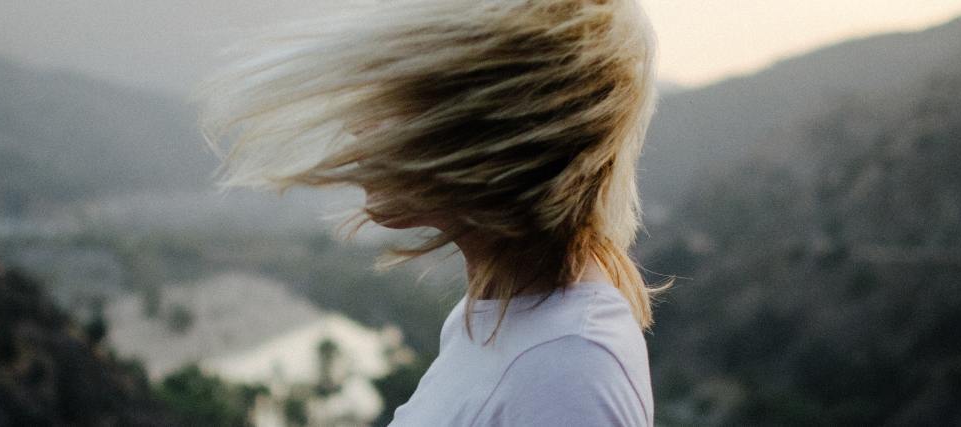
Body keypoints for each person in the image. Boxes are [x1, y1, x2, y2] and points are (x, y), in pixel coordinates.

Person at [198, 0, 662, 425]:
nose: (357, 125)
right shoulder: (501, 317)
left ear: (487, 125)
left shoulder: (567, 377)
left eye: (396, 98)